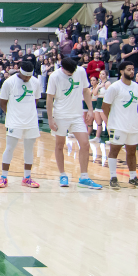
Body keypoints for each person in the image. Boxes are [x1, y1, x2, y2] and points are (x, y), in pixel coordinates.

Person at [47, 56, 100, 188]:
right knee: (60, 145)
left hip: (76, 115)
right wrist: (50, 118)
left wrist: (90, 109)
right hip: (60, 115)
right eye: (69, 72)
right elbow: (49, 99)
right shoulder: (54, 76)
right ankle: (63, 175)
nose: (71, 74)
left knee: (85, 144)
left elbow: (85, 91)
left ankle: (84, 177)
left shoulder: (80, 71)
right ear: (63, 68)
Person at [102, 62, 138, 190]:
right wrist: (112, 121)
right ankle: (113, 177)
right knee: (114, 151)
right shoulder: (114, 87)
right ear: (121, 71)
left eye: (133, 69)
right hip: (117, 125)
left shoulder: (137, 88)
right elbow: (105, 106)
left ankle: (133, 177)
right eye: (129, 69)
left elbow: (136, 106)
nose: (132, 72)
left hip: (132, 125)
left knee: (132, 152)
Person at [0, 61, 42, 188]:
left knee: (29, 149)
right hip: (14, 122)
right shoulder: (9, 82)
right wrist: (11, 114)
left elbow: (36, 100)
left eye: (29, 76)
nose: (27, 78)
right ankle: (3, 177)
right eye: (25, 76)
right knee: (9, 148)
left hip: (31, 122)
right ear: (20, 72)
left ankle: (27, 177)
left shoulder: (35, 82)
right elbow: (2, 102)